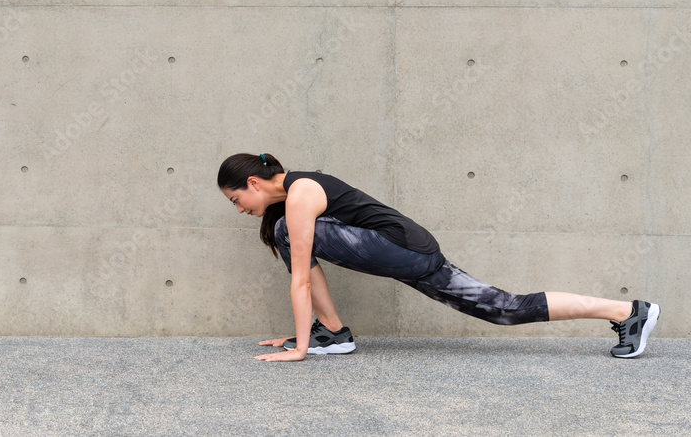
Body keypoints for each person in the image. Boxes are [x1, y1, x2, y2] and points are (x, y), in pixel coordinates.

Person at [217, 152, 661, 362]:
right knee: (503, 309)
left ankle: (331, 333)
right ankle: (628, 312)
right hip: (412, 251)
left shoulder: (300, 193)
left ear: (255, 183)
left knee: (286, 234)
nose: (240, 210)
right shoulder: (296, 195)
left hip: (403, 249)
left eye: (237, 199)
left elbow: (300, 278)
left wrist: (298, 349)